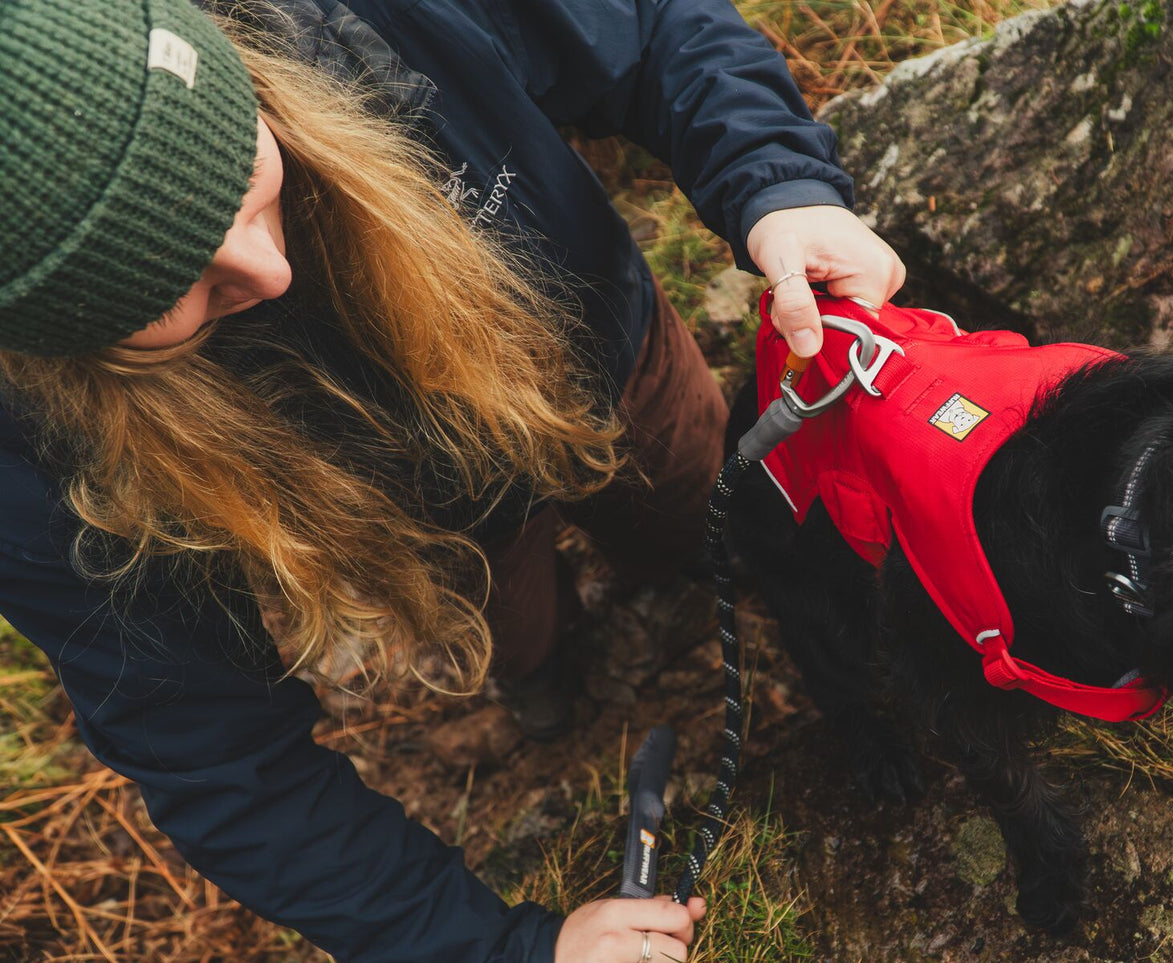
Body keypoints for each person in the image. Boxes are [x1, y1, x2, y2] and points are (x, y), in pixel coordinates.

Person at [0, 0, 904, 960]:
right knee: (515, 632)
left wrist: (779, 185)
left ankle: (688, 571)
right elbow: (222, 762)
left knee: (698, 505)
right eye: (167, 293)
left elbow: (646, 26)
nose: (268, 273)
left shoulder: (364, 17)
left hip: (611, 365)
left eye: (242, 171)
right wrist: (508, 948)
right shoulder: (37, 450)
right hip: (433, 538)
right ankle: (544, 674)